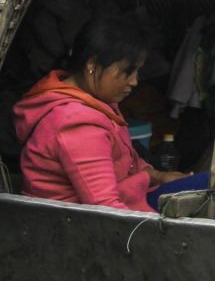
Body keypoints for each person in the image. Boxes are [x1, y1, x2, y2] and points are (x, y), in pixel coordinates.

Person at [15, 14, 188, 211]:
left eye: (136, 72)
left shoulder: (96, 101)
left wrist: (158, 176)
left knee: (210, 185)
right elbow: (105, 210)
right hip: (77, 226)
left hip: (129, 196)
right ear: (92, 65)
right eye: (127, 72)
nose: (134, 81)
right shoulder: (76, 123)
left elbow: (125, 162)